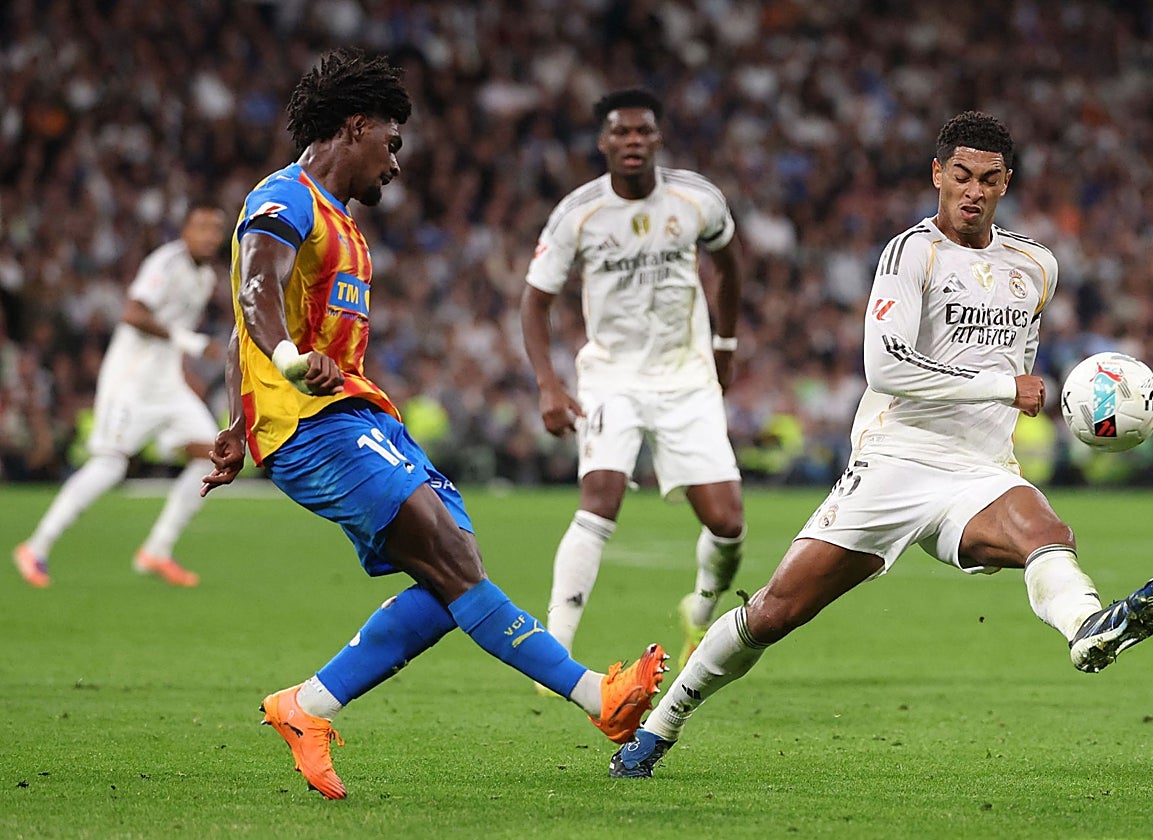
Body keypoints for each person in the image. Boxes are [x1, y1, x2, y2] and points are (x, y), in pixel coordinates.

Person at [609, 111, 1153, 778]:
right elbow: (888, 369)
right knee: (774, 612)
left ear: (1006, 184)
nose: (973, 191)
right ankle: (658, 728)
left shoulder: (1036, 267)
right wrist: (1000, 388)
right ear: (938, 174)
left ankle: (1087, 628)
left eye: (989, 180)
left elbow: (1009, 358)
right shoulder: (911, 253)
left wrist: (1020, 408)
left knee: (1046, 530)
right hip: (895, 460)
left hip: (978, 469)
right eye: (961, 175)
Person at [199, 49, 666, 800]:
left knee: (454, 574)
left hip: (353, 416)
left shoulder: (343, 227)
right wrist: (284, 366)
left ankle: (306, 706)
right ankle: (598, 700)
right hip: (313, 427)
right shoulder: (284, 200)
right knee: (453, 561)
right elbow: (255, 292)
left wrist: (234, 417)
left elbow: (238, 333)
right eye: (391, 142)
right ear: (355, 128)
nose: (395, 162)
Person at [520, 89, 746, 671]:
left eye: (643, 132)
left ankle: (700, 609)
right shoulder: (579, 213)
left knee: (727, 524)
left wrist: (725, 343)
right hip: (611, 378)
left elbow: (729, 264)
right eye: (620, 133)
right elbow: (534, 301)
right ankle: (556, 648)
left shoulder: (698, 199)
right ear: (603, 142)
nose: (632, 142)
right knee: (600, 501)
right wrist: (548, 383)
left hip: (685, 376)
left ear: (658, 138)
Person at [13, 204, 228, 588]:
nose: (209, 236)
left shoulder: (206, 278)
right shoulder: (166, 263)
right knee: (109, 466)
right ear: (185, 230)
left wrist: (185, 374)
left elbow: (170, 334)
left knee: (215, 457)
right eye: (202, 227)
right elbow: (132, 313)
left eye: (216, 229)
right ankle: (36, 546)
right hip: (130, 382)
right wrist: (192, 343)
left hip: (166, 384)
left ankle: (158, 549)